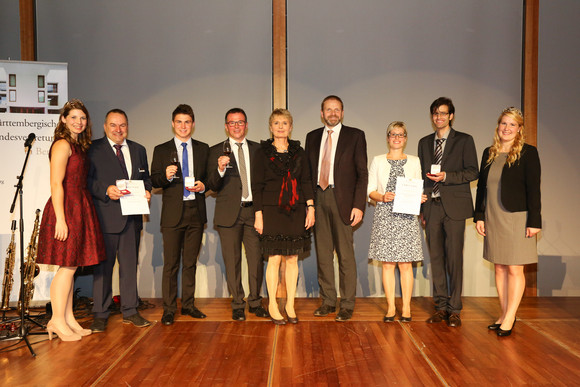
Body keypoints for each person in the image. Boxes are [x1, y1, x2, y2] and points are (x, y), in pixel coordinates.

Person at [36, 99, 105, 341]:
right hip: (65, 208)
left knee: (71, 266)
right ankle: (56, 320)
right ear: (64, 119)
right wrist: (61, 220)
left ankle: (67, 318)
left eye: (83, 118)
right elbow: (56, 183)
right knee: (65, 268)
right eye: (73, 117)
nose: (79, 122)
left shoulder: (78, 146)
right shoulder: (62, 144)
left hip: (79, 206)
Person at [475, 107, 541, 337]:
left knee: (515, 268)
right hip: (493, 216)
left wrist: (535, 221)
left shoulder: (528, 153)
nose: (507, 128)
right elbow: (482, 190)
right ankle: (503, 314)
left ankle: (511, 316)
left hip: (517, 218)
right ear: (498, 126)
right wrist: (479, 216)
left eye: (512, 124)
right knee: (500, 266)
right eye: (504, 123)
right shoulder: (488, 152)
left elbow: (534, 190)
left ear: (519, 129)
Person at [87, 109, 152, 332]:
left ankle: (130, 311)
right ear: (105, 126)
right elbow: (87, 181)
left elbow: (146, 179)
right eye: (113, 125)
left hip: (132, 219)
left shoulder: (138, 149)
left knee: (129, 267)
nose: (118, 129)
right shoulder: (93, 149)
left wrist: (147, 192)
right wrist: (105, 190)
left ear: (127, 126)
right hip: (105, 218)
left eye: (122, 125)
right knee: (103, 269)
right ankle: (100, 314)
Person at [305, 95, 368, 322]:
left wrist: (358, 205)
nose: (332, 113)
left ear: (342, 113)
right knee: (323, 254)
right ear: (322, 113)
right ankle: (328, 301)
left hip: (343, 201)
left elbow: (362, 174)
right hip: (318, 199)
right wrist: (309, 204)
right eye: (328, 110)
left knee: (345, 256)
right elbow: (308, 174)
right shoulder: (312, 137)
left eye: (337, 109)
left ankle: (347, 304)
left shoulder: (355, 136)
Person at [418, 97, 479, 327]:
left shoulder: (464, 140)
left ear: (451, 116)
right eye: (435, 114)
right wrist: (421, 207)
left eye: (443, 113)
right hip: (431, 207)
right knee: (436, 259)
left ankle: (455, 310)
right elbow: (422, 177)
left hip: (454, 207)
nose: (439, 117)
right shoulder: (424, 142)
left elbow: (473, 171)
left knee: (454, 259)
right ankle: (440, 307)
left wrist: (447, 177)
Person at [252, 108, 315, 324]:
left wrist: (311, 207)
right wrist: (258, 214)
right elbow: (256, 186)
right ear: (270, 127)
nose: (280, 127)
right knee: (274, 258)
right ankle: (272, 303)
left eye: (284, 123)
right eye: (276, 123)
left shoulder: (299, 151)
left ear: (290, 126)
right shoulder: (261, 152)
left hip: (296, 209)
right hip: (270, 210)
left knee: (292, 258)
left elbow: (306, 180)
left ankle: (289, 304)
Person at [206, 108, 269, 321]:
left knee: (256, 260)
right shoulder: (216, 151)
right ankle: (237, 304)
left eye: (240, 122)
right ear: (226, 126)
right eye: (232, 123)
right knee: (232, 261)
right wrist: (220, 169)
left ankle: (255, 302)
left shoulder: (259, 150)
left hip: (254, 212)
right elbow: (211, 185)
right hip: (228, 215)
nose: (236, 126)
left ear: (246, 125)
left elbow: (266, 183)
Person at [151, 104, 209, 325]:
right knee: (171, 264)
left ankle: (188, 305)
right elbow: (154, 180)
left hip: (196, 212)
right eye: (179, 122)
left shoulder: (204, 149)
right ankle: (168, 309)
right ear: (172, 124)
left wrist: (203, 186)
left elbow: (211, 180)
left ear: (193, 124)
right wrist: (164, 176)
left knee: (190, 263)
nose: (183, 126)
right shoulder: (161, 149)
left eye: (187, 122)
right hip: (173, 215)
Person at [367, 121, 427, 322]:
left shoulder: (414, 161)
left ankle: (407, 307)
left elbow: (418, 187)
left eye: (401, 134)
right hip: (385, 216)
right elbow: (370, 190)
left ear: (405, 138)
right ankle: (391, 307)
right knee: (387, 265)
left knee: (406, 265)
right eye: (393, 134)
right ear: (387, 138)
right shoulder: (377, 160)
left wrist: (420, 198)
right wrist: (382, 197)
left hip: (407, 217)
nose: (397, 138)